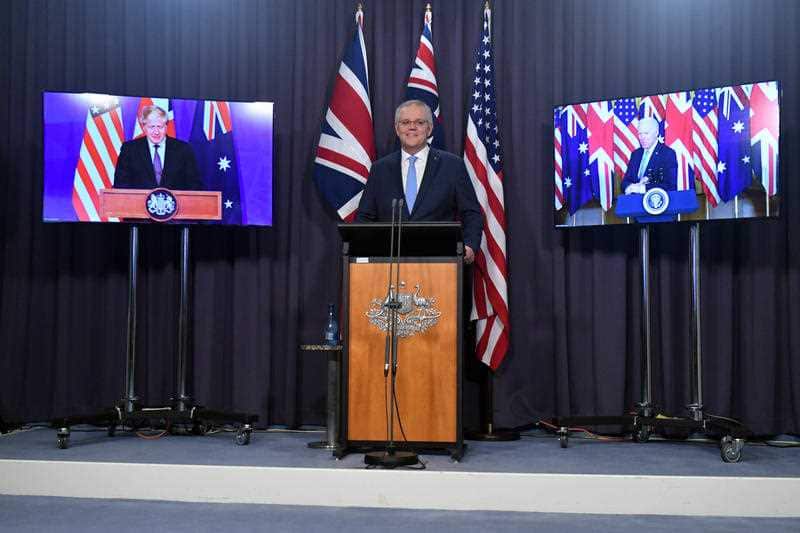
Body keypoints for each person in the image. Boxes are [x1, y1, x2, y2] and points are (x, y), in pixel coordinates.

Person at [355, 100, 482, 264]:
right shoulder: (380, 169)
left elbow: (471, 213)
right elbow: (364, 217)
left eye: (419, 122)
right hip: (389, 265)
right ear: (397, 128)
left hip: (440, 264)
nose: (412, 127)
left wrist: (470, 246)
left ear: (429, 128)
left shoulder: (452, 166)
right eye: (405, 122)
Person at [114, 105, 203, 190]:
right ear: (144, 127)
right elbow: (120, 185)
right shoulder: (129, 150)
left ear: (166, 127)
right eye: (152, 127)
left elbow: (194, 186)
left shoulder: (183, 149)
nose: (156, 132)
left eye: (160, 127)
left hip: (177, 205)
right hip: (137, 205)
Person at [621, 116, 678, 194]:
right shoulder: (636, 154)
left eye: (646, 133)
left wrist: (642, 188)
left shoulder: (667, 154)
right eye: (640, 133)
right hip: (634, 202)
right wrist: (630, 187)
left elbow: (670, 185)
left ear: (656, 133)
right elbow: (625, 181)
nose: (642, 137)